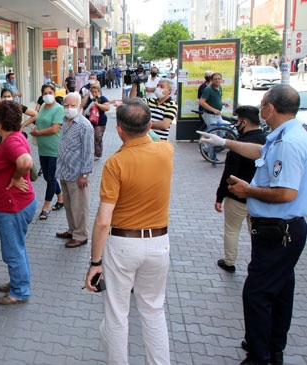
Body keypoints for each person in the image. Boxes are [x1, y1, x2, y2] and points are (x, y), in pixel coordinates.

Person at [198, 84, 307, 365]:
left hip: (279, 231)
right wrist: (225, 143)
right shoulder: (284, 135)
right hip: (280, 231)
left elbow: (286, 192)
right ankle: (272, 347)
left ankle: (260, 356)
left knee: (256, 292)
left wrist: (249, 191)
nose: (260, 109)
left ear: (270, 108)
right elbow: (260, 152)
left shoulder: (289, 143)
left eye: (263, 104)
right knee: (280, 290)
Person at [85, 98, 174, 364]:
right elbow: (154, 135)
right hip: (159, 243)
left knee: (116, 314)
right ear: (148, 125)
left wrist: (94, 262)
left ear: (119, 129)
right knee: (154, 310)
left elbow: (103, 220)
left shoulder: (116, 163)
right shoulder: (166, 150)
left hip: (124, 244)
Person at [0, 100, 36, 305]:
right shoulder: (10, 138)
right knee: (17, 246)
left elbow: (25, 162)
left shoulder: (12, 141)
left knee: (13, 249)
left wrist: (15, 178)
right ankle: (18, 280)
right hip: (12, 205)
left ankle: (20, 291)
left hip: (11, 206)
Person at [213, 106, 266, 273]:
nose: (236, 124)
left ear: (244, 122)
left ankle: (229, 262)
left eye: (237, 121)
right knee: (257, 233)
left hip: (237, 197)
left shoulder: (239, 145)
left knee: (232, 229)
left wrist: (220, 197)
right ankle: (259, 262)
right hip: (261, 197)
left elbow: (229, 173)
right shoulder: (268, 141)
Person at [55, 93, 94, 248]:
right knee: (70, 205)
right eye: (66, 105)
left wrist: (84, 174)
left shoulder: (85, 126)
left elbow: (88, 152)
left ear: (80, 106)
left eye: (73, 105)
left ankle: (81, 235)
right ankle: (72, 230)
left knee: (79, 206)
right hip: (64, 171)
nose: (69, 109)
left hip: (77, 174)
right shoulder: (65, 121)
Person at [30, 84, 64, 220]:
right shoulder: (43, 106)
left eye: (50, 92)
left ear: (55, 93)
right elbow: (36, 118)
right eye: (45, 93)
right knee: (47, 177)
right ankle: (61, 199)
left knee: (50, 178)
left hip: (54, 148)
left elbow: (54, 129)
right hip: (42, 148)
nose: (48, 95)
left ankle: (45, 207)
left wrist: (38, 133)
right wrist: (26, 126)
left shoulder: (59, 109)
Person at [81, 82, 110, 159]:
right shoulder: (88, 99)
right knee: (89, 138)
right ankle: (90, 153)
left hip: (100, 122)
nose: (94, 94)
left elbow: (107, 107)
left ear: (99, 92)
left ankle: (97, 154)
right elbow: (82, 105)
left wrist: (97, 104)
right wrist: (87, 96)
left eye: (95, 92)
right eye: (92, 92)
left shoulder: (102, 98)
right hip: (88, 121)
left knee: (97, 138)